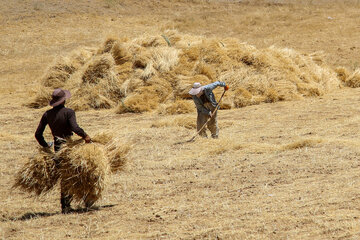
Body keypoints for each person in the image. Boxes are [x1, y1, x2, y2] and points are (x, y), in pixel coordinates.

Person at [35, 88, 91, 214]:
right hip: (69, 146)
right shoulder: (68, 112)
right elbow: (74, 127)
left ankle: (65, 205)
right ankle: (86, 199)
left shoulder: (47, 115)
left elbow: (38, 134)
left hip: (57, 147)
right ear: (63, 100)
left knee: (65, 176)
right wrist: (85, 136)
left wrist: (46, 146)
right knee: (80, 172)